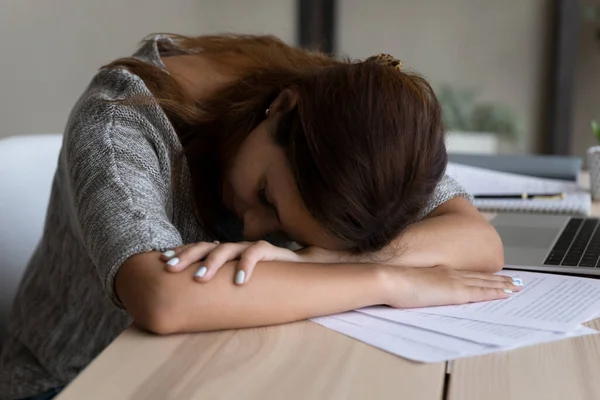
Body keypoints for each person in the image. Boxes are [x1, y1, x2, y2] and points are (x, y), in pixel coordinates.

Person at [0, 33, 521, 400]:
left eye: (280, 231)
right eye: (268, 196)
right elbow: (164, 297)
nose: (252, 230)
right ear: (281, 109)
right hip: (74, 382)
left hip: (217, 366)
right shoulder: (120, 121)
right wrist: (384, 278)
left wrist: (318, 260)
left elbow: (474, 238)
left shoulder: (342, 119)